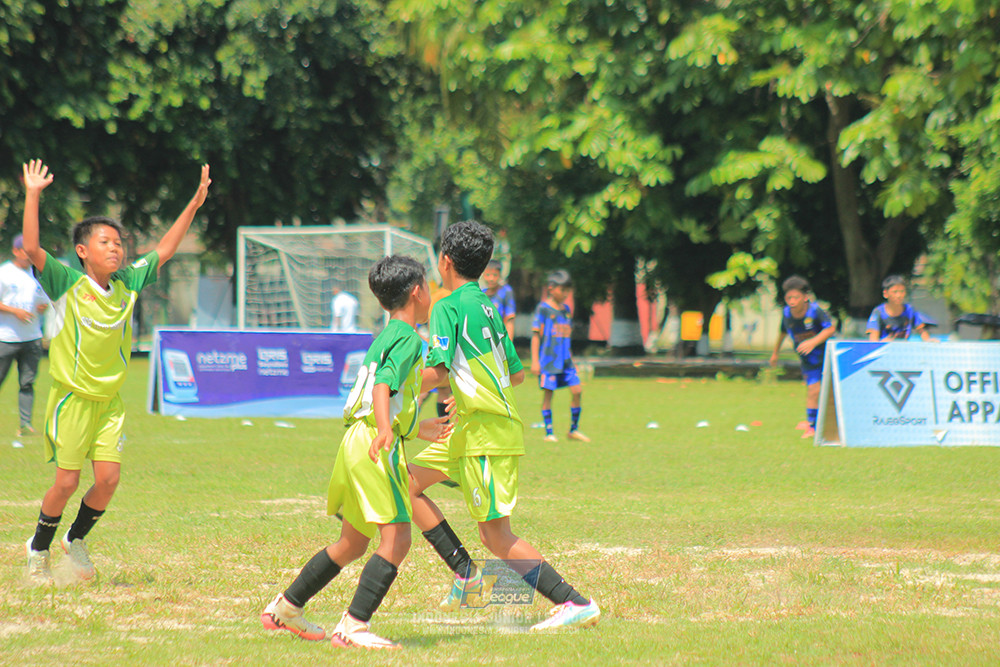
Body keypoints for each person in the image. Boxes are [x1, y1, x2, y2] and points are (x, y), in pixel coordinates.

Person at [21, 159, 211, 584]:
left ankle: (75, 538)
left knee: (108, 480)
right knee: (66, 483)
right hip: (72, 400)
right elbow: (33, 249)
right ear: (83, 251)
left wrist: (194, 205)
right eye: (105, 242)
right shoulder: (67, 282)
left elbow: (165, 249)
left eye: (119, 243)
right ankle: (38, 548)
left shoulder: (127, 283)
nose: (116, 248)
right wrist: (32, 193)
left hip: (110, 402)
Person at [408, 220, 600, 631]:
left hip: (486, 433)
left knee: (496, 537)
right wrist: (468, 394)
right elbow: (514, 375)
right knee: (404, 485)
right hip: (471, 427)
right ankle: (467, 576)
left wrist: (390, 390)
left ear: (444, 262)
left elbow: (437, 369)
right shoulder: (490, 308)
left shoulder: (447, 305)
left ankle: (573, 601)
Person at [261, 255, 451, 649]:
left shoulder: (386, 335)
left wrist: (414, 429)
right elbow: (382, 387)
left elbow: (386, 395)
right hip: (373, 444)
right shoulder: (409, 338)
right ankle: (352, 626)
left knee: (353, 542)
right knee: (397, 539)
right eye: (428, 285)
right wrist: (386, 430)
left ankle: (286, 607)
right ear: (417, 291)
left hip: (354, 442)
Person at [769, 275, 836, 439]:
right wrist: (775, 352)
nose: (791, 301)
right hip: (808, 360)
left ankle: (833, 422)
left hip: (827, 357)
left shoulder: (815, 311)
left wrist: (813, 342)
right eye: (788, 297)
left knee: (831, 391)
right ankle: (812, 426)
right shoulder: (787, 314)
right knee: (814, 390)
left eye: (795, 297)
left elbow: (830, 329)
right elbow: (783, 332)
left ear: (805, 298)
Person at [530, 269, 590, 443]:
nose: (565, 294)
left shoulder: (566, 311)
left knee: (577, 391)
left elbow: (566, 338)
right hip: (549, 362)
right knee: (548, 395)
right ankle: (549, 432)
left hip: (566, 362)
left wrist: (572, 360)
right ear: (551, 288)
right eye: (562, 290)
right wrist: (535, 361)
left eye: (567, 290)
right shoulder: (543, 309)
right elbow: (536, 335)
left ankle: (573, 430)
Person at [0, 234, 49, 437]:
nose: (28, 256)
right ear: (15, 251)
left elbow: (43, 302)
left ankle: (26, 425)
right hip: (6, 337)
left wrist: (42, 307)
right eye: (25, 252)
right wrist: (15, 311)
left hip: (31, 337)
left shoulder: (36, 274)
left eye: (31, 252)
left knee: (27, 383)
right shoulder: (4, 273)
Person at [866, 275, 932, 342]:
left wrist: (928, 340)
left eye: (902, 291)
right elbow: (873, 340)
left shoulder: (909, 310)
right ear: (885, 293)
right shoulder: (878, 312)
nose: (899, 295)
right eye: (895, 292)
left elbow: (922, 331)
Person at [482, 259, 515, 339]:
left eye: (495, 275)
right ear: (483, 275)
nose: (491, 279)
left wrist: (508, 345)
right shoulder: (481, 294)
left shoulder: (506, 292)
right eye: (488, 275)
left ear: (499, 275)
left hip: (500, 339)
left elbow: (509, 320)